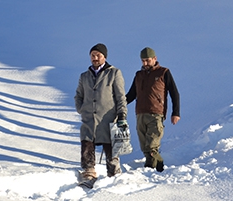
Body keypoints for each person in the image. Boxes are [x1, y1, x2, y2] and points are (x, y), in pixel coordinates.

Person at [75, 43, 128, 182]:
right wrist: (81, 109)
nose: (95, 58)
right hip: (89, 118)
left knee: (110, 147)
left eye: (98, 55)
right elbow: (78, 95)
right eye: (93, 55)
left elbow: (120, 96)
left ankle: (114, 174)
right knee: (87, 143)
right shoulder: (84, 76)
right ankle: (88, 172)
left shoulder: (114, 73)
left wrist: (122, 114)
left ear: (104, 57)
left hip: (108, 118)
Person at [125, 47, 180, 172]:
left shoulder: (163, 72)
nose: (145, 63)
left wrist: (175, 113)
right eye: (143, 61)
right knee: (145, 146)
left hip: (156, 113)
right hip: (140, 113)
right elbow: (131, 94)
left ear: (154, 59)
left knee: (152, 146)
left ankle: (152, 168)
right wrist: (119, 104)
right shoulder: (139, 75)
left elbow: (174, 93)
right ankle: (156, 167)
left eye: (147, 60)